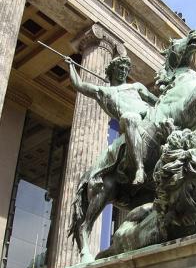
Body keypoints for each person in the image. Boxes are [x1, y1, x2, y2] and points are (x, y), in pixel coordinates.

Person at [65, 55, 158, 184]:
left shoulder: (136, 87)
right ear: (113, 70)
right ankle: (139, 168)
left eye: (126, 69)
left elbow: (156, 100)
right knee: (129, 117)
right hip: (131, 121)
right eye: (120, 68)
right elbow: (79, 85)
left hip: (149, 115)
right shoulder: (105, 92)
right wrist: (71, 66)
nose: (124, 72)